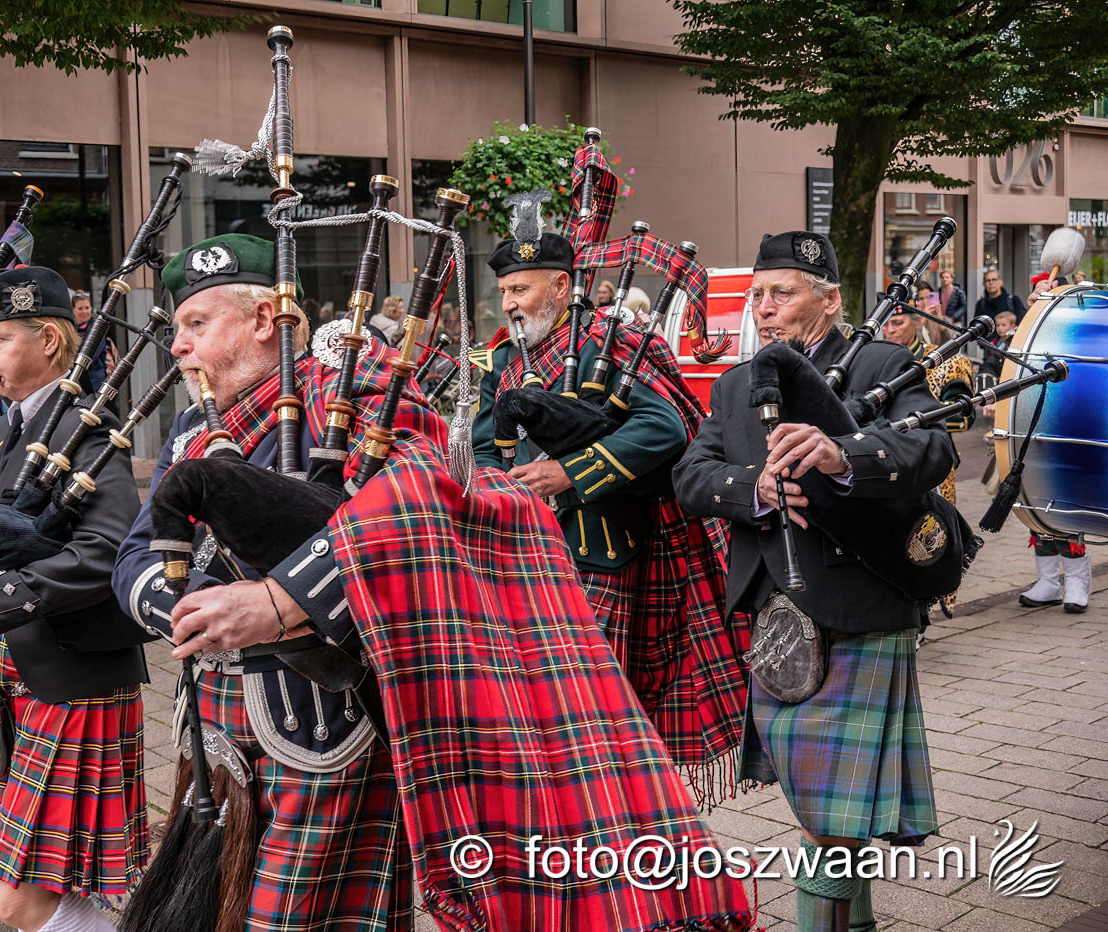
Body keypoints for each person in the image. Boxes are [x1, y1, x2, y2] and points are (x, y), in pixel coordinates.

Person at [113, 233, 754, 932]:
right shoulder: (192, 428)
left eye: (196, 324)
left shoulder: (353, 394)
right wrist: (187, 611)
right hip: (212, 720)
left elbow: (419, 505)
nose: (177, 345)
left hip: (328, 715)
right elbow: (137, 553)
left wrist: (281, 600)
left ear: (266, 319)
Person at [675, 230, 952, 932]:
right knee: (825, 808)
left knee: (830, 819)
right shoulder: (736, 384)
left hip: (861, 603)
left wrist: (840, 453)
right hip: (777, 621)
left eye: (783, 293)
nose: (764, 308)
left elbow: (931, 447)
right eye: (757, 295)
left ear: (829, 300)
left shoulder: (881, 363)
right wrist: (756, 487)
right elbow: (692, 476)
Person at [470, 231, 749, 806]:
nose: (510, 303)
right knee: (540, 704)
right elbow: (484, 444)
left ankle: (618, 809)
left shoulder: (611, 342)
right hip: (525, 548)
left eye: (521, 289)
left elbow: (665, 428)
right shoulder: (503, 359)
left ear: (561, 286)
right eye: (505, 291)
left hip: (600, 546)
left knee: (593, 706)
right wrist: (496, 486)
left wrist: (568, 473)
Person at [0, 266, 147, 932]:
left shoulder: (90, 430)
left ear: (49, 340)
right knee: (41, 895)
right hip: (9, 677)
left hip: (70, 676)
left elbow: (106, 553)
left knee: (16, 900)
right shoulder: (0, 433)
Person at [881, 304, 975, 617]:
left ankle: (929, 606)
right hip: (886, 462)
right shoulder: (874, 359)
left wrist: (915, 423)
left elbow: (964, 417)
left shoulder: (943, 360)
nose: (890, 330)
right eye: (886, 324)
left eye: (897, 323)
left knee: (930, 534)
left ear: (916, 321)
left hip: (930, 462)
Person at [71, 289, 116, 393]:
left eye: (87, 308)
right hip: (75, 381)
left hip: (94, 383)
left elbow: (91, 356)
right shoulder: (70, 329)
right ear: (73, 310)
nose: (84, 312)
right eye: (80, 308)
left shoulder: (97, 328)